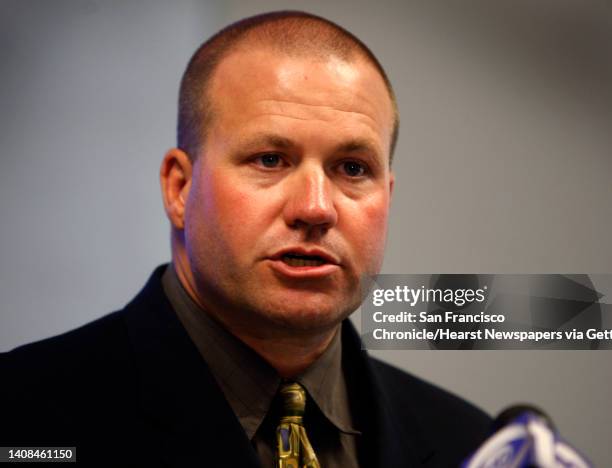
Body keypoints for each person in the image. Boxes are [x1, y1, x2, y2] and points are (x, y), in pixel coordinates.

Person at [1, 11, 490, 467]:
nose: (316, 208)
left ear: (387, 194)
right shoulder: (21, 419)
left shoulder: (469, 446)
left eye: (352, 168)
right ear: (179, 188)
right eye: (270, 159)